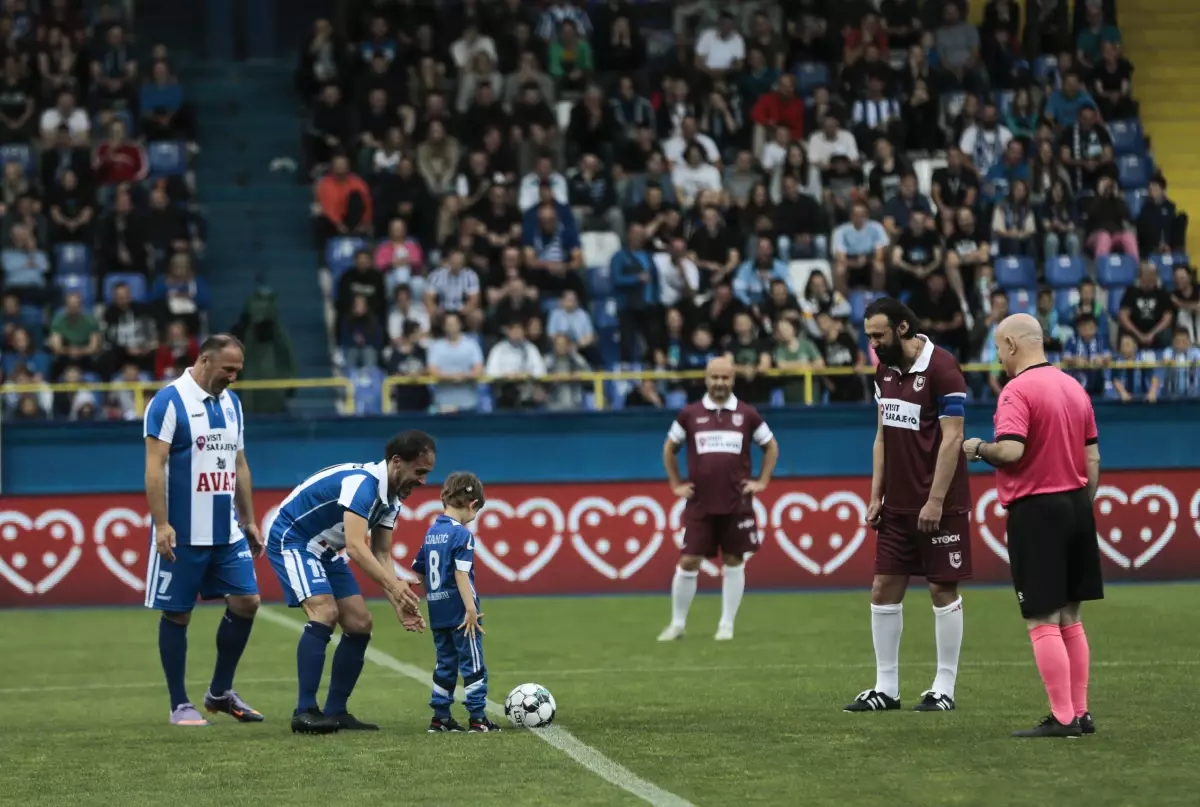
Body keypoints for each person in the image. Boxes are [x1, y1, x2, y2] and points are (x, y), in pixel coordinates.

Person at [963, 313, 1101, 739]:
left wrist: (978, 448)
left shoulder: (1017, 391)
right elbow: (1092, 458)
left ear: (1010, 344)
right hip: (1077, 504)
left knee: (1041, 618)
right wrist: (1079, 500)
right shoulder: (1074, 388)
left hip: (1037, 510)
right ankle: (1080, 712)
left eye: (998, 349)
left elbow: (1011, 451)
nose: (998, 358)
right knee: (1070, 617)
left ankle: (1062, 719)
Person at [846, 298, 971, 713]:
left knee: (941, 588)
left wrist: (936, 500)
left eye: (878, 335)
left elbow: (953, 438)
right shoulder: (884, 371)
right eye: (868, 336)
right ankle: (887, 688)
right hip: (897, 506)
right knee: (883, 588)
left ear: (902, 328)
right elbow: (881, 437)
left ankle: (944, 687)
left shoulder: (943, 368)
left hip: (939, 503)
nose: (873, 344)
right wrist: (874, 495)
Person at [266, 431, 433, 734]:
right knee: (324, 612)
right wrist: (395, 586)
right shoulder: (363, 484)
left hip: (325, 550)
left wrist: (399, 602)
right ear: (397, 462)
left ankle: (336, 711)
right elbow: (356, 547)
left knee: (359, 624)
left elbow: (381, 553)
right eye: (419, 471)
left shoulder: (391, 498)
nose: (423, 480)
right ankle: (304, 712)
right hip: (294, 539)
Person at [143, 334, 264, 727]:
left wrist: (248, 519)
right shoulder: (168, 402)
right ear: (205, 360)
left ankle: (220, 692)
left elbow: (239, 463)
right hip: (183, 532)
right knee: (178, 615)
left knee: (247, 601)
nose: (233, 377)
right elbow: (154, 467)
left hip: (225, 529)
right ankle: (179, 704)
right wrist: (162, 524)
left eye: (238, 371)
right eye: (228, 369)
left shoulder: (232, 404)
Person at [658, 356, 780, 642]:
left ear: (733, 380)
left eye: (725, 378)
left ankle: (726, 625)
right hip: (700, 502)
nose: (720, 383)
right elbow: (669, 449)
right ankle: (677, 624)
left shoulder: (748, 414)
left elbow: (771, 446)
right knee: (688, 561)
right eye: (715, 378)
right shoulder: (690, 414)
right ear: (706, 379)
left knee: (734, 560)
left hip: (736, 501)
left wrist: (762, 481)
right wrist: (676, 483)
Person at [411, 471, 502, 732]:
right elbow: (461, 573)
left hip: (438, 611)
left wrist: (421, 589)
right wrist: (471, 610)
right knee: (472, 664)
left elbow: (419, 570)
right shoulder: (462, 535)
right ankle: (478, 718)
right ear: (472, 504)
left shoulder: (432, 532)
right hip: (461, 613)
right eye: (477, 511)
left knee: (445, 664)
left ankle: (440, 718)